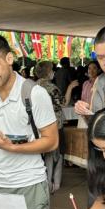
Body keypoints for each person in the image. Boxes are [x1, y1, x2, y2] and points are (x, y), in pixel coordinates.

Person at [0, 35, 58, 209]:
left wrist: (13, 147)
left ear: (9, 59)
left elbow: (51, 142)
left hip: (29, 184)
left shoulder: (34, 94)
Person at [35, 61, 71, 193]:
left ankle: (45, 183)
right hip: (54, 124)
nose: (54, 72)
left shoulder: (34, 86)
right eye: (52, 70)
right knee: (57, 154)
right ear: (48, 72)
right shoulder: (52, 87)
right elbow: (64, 103)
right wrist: (71, 87)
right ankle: (54, 183)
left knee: (44, 155)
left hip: (39, 125)